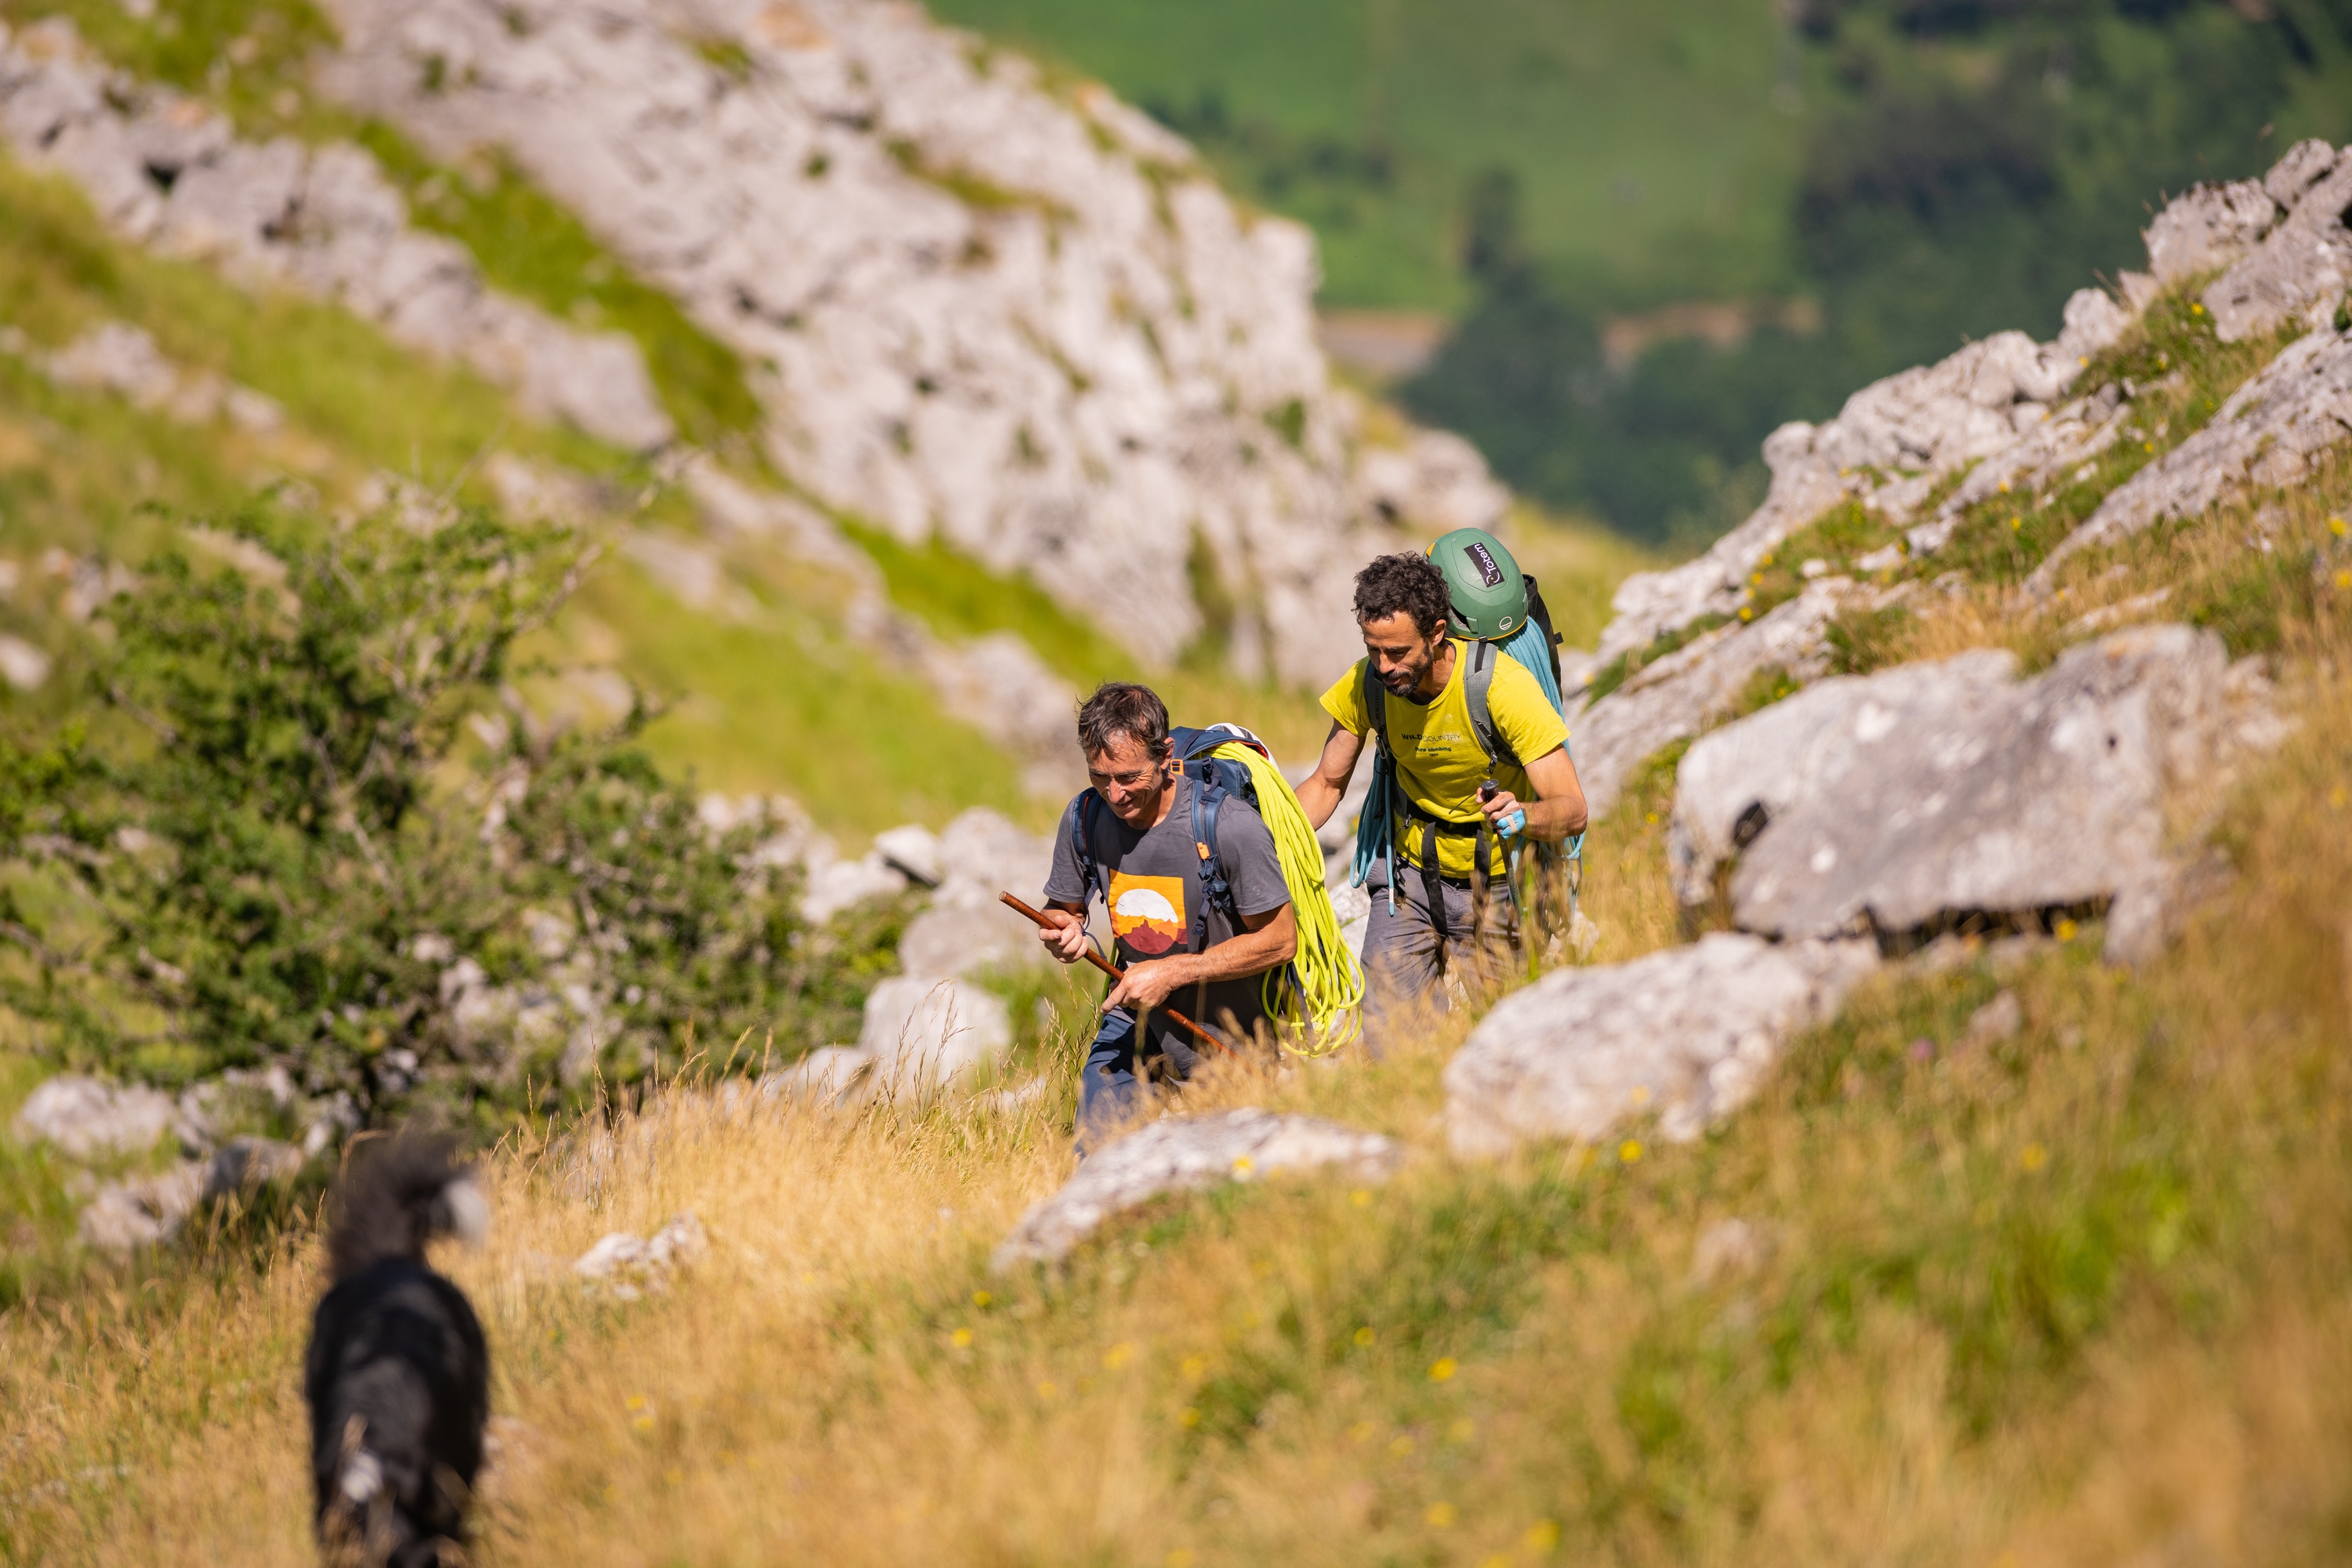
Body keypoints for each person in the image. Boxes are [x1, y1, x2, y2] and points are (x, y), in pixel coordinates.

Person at [1294, 552, 1588, 1044]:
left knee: (1505, 1042)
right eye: (1374, 650)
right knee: (1389, 1038)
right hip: (1408, 879)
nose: (1384, 667)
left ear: (1436, 633)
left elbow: (1572, 808)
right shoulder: (1368, 684)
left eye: (1398, 652)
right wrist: (1266, 839)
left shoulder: (1501, 689)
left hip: (1497, 887)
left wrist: (1524, 815)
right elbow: (1326, 783)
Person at [1036, 682, 1298, 1150]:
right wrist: (1062, 931)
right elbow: (1063, 910)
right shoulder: (1084, 816)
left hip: (1229, 1037)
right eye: (1100, 776)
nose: (1114, 794)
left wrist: (1172, 972)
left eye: (1129, 777)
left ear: (1165, 755)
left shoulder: (1228, 825)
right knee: (1097, 1157)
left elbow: (1280, 941)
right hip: (1133, 1024)